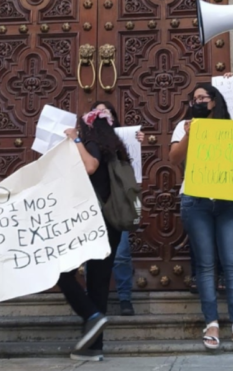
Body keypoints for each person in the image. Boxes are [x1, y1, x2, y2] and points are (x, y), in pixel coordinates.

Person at [169, 84, 233, 350]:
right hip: (196, 200)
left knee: (232, 264)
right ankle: (212, 323)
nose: (199, 101)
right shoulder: (184, 126)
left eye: (203, 97)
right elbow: (174, 157)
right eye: (194, 99)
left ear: (215, 101)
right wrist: (190, 135)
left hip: (226, 201)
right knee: (205, 266)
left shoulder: (231, 126)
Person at [58, 107, 130, 361]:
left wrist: (75, 139)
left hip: (94, 223)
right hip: (113, 223)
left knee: (61, 270)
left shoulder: (90, 143)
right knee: (98, 283)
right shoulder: (117, 148)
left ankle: (90, 315)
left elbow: (90, 166)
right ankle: (93, 347)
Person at [91, 100, 144, 317]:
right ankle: (91, 300)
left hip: (117, 203)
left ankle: (124, 298)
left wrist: (138, 142)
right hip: (94, 204)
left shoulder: (122, 140)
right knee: (92, 255)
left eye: (107, 111)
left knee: (121, 253)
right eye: (97, 111)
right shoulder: (88, 141)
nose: (102, 114)